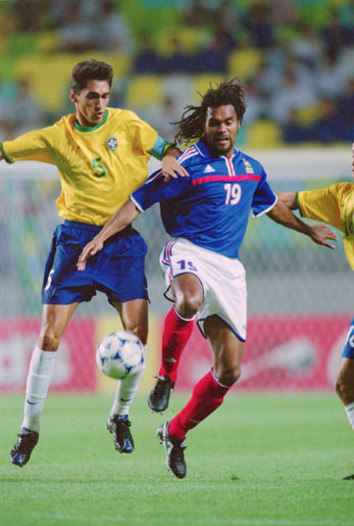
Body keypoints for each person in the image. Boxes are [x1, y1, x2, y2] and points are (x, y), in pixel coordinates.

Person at [77, 79, 337, 479]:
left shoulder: (252, 169)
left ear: (238, 124)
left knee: (229, 372)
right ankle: (165, 376)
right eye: (214, 122)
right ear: (206, 125)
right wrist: (100, 237)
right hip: (188, 253)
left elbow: (268, 207)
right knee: (187, 301)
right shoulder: (185, 166)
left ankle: (175, 433)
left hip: (229, 271)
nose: (221, 129)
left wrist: (308, 229)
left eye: (228, 122)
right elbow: (136, 202)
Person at [0, 58, 186, 467]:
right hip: (74, 240)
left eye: (104, 95)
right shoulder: (56, 136)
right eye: (91, 97)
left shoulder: (128, 123)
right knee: (49, 335)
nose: (100, 104)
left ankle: (119, 417)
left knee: (137, 338)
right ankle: (29, 430)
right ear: (74, 97)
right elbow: (6, 150)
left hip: (121, 242)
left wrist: (171, 156)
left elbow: (164, 147)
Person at [278, 146, 353, 480]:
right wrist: (243, 196)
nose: (353, 157)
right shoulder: (342, 196)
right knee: (345, 385)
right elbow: (282, 201)